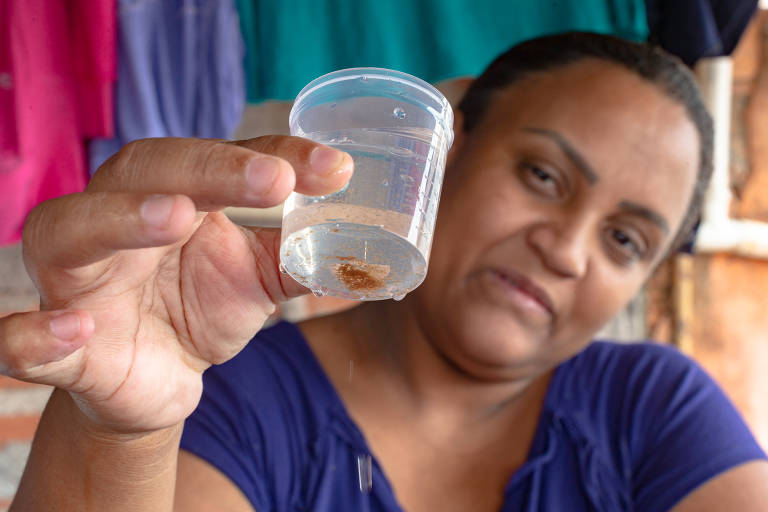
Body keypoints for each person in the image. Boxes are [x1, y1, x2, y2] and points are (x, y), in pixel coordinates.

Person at [3, 32, 768, 511]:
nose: (567, 251)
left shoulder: (652, 410)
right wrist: (120, 435)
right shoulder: (233, 393)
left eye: (627, 241)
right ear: (446, 153)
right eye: (541, 175)